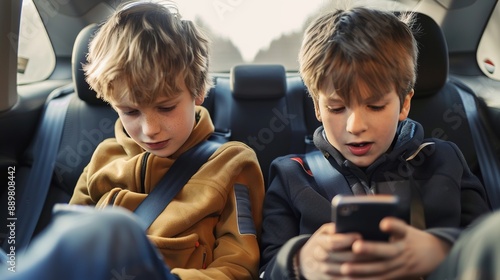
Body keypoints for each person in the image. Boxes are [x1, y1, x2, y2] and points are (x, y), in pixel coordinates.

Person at [0, 1, 265, 280]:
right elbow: (68, 233)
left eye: (166, 108)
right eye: (130, 111)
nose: (150, 129)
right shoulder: (105, 156)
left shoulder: (231, 163)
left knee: (113, 229)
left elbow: (238, 267)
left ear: (197, 92)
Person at [259, 6, 491, 280]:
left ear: (404, 104)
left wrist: (440, 249)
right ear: (317, 108)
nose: (355, 126)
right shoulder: (292, 175)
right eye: (336, 108)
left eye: (376, 106)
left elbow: (489, 244)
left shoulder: (444, 160)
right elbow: (266, 270)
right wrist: (299, 261)